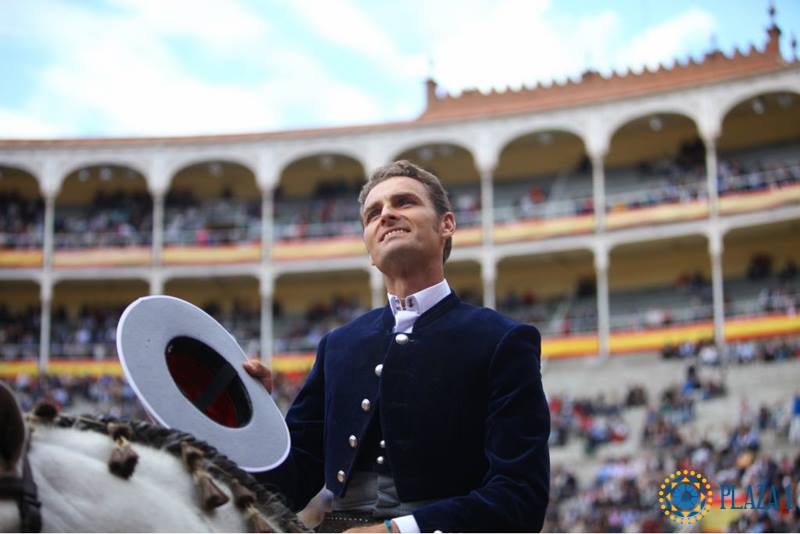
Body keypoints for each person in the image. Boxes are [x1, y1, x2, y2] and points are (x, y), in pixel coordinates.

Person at [245, 160, 550, 532]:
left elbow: (521, 495)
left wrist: (398, 531)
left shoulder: (501, 339)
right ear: (369, 246)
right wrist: (251, 416)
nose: (386, 214)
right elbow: (286, 485)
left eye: (404, 202)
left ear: (447, 225)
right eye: (373, 213)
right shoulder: (338, 346)